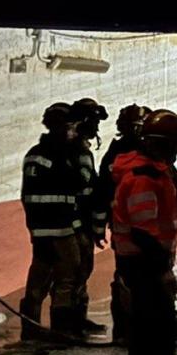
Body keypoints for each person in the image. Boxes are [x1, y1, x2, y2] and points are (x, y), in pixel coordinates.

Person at [110, 108, 177, 355]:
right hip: (145, 268)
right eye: (176, 142)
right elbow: (144, 232)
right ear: (162, 143)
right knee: (161, 338)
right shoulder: (144, 177)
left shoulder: (150, 171)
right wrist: (164, 272)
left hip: (139, 266)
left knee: (144, 335)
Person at [19, 102, 92, 340]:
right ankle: (62, 332)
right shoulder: (62, 156)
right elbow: (79, 184)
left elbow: (28, 195)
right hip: (60, 229)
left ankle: (30, 333)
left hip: (39, 229)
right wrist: (82, 154)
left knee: (38, 278)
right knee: (67, 278)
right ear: (63, 127)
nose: (74, 131)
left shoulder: (34, 154)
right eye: (72, 127)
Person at [97, 104, 150, 345]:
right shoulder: (148, 154)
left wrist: (99, 225)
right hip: (142, 233)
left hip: (124, 229)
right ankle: (134, 331)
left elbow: (102, 189)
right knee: (140, 280)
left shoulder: (114, 153)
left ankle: (123, 331)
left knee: (125, 279)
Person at [67, 98, 109, 337]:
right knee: (75, 272)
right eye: (93, 121)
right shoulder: (76, 152)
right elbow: (84, 193)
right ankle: (71, 324)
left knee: (81, 271)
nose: (96, 128)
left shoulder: (78, 149)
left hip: (79, 224)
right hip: (76, 225)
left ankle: (78, 320)